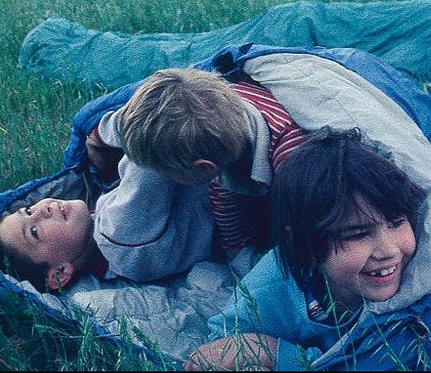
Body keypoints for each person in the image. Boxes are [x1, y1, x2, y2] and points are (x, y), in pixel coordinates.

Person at [184, 127, 426, 370]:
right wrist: (268, 350)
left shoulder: (422, 274)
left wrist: (283, 355)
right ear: (303, 242)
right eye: (358, 234)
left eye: (396, 222)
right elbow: (220, 351)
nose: (388, 250)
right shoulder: (271, 288)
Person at [86, 67, 309, 273]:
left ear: (203, 168)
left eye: (165, 174)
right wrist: (96, 138)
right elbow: (231, 223)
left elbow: (311, 236)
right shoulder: (218, 115)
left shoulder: (292, 162)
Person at [0, 151, 215, 292]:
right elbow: (154, 144)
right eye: (34, 231)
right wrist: (101, 132)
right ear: (59, 274)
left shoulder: (108, 239)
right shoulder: (120, 234)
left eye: (29, 210)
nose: (41, 209)